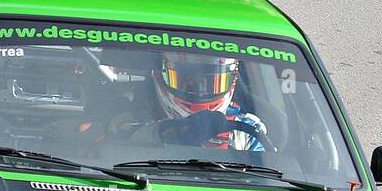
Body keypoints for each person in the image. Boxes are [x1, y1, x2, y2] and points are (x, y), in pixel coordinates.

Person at [105, 52, 268, 150]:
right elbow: (120, 137)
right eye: (186, 80)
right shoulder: (134, 113)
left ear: (231, 80)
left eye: (211, 82)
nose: (200, 89)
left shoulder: (245, 130)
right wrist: (178, 131)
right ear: (159, 76)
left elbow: (266, 179)